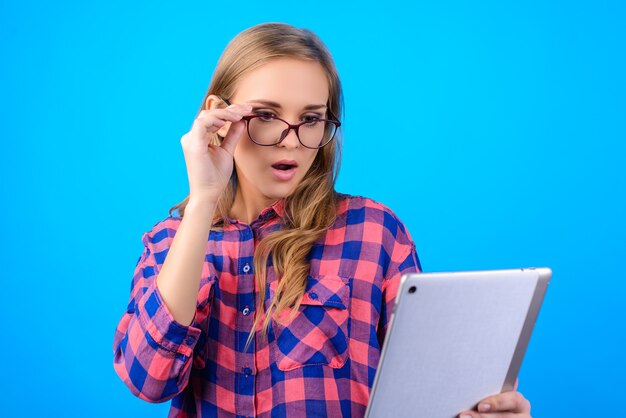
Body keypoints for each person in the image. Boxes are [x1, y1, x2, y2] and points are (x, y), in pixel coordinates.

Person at [112, 22, 533, 418]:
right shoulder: (171, 242)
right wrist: (205, 200)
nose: (291, 140)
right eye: (265, 116)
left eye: (310, 119)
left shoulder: (374, 233)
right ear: (219, 118)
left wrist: (478, 408)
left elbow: (426, 395)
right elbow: (148, 380)